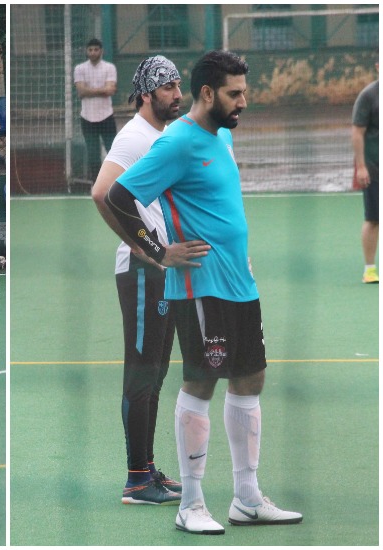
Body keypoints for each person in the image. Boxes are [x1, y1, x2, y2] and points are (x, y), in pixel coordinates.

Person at [104, 50, 303, 534]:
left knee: (250, 378)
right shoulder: (176, 142)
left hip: (240, 283)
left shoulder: (221, 137)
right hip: (200, 287)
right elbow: (116, 195)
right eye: (235, 94)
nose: (243, 103)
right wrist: (157, 251)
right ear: (208, 94)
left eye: (244, 93)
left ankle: (247, 498)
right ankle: (190, 504)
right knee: (200, 382)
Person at [91, 56, 200, 506]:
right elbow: (102, 193)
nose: (177, 94)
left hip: (162, 275)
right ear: (145, 93)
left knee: (154, 373)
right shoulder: (134, 136)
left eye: (178, 86)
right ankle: (136, 479)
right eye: (168, 87)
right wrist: (150, 250)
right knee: (141, 373)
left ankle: (148, 468)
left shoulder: (163, 135)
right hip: (143, 274)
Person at [74, 38, 117, 180]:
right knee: (93, 153)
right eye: (90, 50)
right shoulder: (79, 69)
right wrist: (102, 90)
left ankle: (115, 182)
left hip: (106, 116)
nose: (93, 52)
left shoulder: (109, 67)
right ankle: (96, 183)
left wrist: (89, 90)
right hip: (87, 118)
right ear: (87, 51)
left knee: (113, 150)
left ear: (101, 51)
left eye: (96, 49)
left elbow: (110, 90)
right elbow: (81, 92)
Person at [352, 62, 379, 284]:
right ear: (378, 67)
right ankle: (370, 269)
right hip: (374, 167)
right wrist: (361, 166)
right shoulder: (369, 95)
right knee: (373, 218)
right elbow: (357, 132)